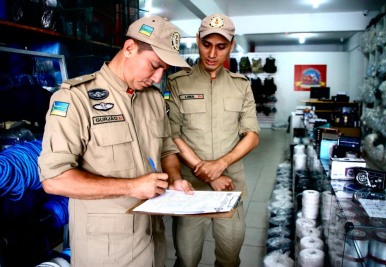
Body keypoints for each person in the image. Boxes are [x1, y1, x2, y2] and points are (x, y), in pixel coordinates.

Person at [38, 15, 194, 267]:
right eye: (154, 65)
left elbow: (166, 148)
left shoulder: (153, 98)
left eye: (164, 69)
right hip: (107, 250)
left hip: (153, 239)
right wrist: (131, 187)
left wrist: (175, 179)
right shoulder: (75, 99)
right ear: (130, 48)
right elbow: (54, 180)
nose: (157, 78)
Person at [165, 13, 260, 267]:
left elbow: (252, 135)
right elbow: (172, 135)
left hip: (230, 188)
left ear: (231, 45)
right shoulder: (178, 82)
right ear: (197, 40)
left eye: (221, 46)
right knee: (186, 259)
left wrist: (221, 164)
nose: (212, 53)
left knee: (229, 259)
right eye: (207, 44)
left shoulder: (241, 86)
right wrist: (209, 173)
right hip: (191, 190)